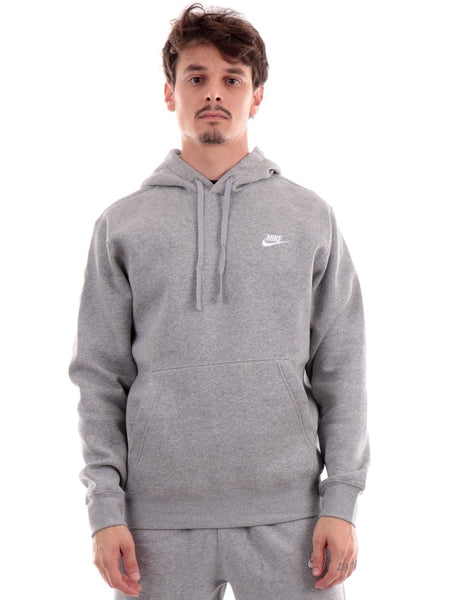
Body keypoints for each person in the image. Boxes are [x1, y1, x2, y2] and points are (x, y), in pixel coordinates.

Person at [69, 4, 370, 599]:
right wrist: (104, 508)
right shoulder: (122, 225)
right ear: (169, 92)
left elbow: (342, 367)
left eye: (233, 78)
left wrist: (342, 499)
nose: (214, 92)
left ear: (256, 96)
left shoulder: (308, 216)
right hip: (155, 526)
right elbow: (99, 375)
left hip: (293, 519)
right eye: (196, 77)